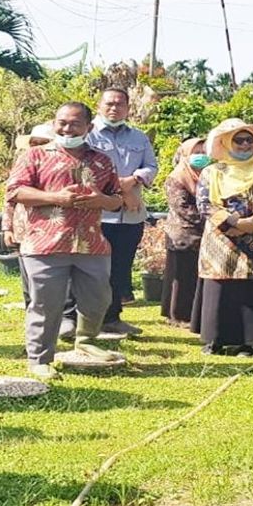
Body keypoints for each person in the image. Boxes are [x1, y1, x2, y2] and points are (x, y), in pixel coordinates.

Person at [6, 102, 125, 380]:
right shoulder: (34, 155)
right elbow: (15, 192)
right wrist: (55, 198)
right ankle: (39, 358)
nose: (67, 128)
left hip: (91, 244)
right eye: (62, 122)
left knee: (98, 299)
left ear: (89, 127)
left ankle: (85, 340)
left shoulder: (102, 160)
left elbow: (118, 199)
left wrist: (101, 201)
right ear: (54, 122)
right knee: (46, 304)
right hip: (45, 243)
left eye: (74, 123)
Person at [191, 118, 253, 357]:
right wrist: (234, 222)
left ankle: (249, 343)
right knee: (220, 289)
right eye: (239, 140)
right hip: (221, 244)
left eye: (249, 140)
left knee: (252, 291)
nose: (245, 145)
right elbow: (204, 204)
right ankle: (216, 340)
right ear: (226, 143)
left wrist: (252, 224)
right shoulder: (212, 172)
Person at [85, 88, 158, 335]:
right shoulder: (88, 135)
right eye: (109, 104)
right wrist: (122, 188)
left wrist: (135, 179)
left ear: (128, 108)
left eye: (120, 104)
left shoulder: (138, 137)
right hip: (98, 214)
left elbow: (151, 166)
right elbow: (86, 170)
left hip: (130, 216)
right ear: (99, 105)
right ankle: (86, 320)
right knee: (94, 268)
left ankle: (112, 318)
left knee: (120, 268)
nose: (114, 108)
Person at [3, 122, 56, 307]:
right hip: (24, 229)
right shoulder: (23, 163)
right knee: (28, 275)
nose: (37, 146)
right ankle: (31, 309)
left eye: (42, 142)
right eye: (34, 142)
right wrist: (7, 228)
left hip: (52, 230)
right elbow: (10, 197)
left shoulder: (61, 166)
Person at [160, 137, 207, 324]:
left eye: (204, 152)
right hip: (183, 234)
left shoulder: (206, 175)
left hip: (201, 233)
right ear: (185, 155)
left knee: (192, 275)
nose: (201, 156)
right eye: (196, 153)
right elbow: (183, 207)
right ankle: (178, 316)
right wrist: (212, 220)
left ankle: (189, 313)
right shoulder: (177, 177)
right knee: (181, 276)